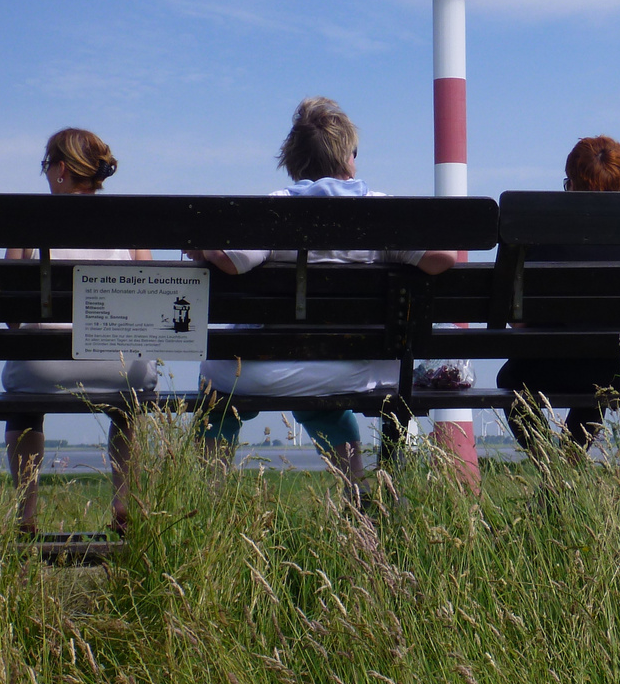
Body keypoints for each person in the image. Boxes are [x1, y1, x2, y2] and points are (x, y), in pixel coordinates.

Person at [190, 97, 455, 480]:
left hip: (272, 369)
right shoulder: (383, 211)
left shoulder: (277, 208)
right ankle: (358, 491)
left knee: (212, 383)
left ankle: (206, 493)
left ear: (293, 160)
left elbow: (232, 260)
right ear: (348, 155)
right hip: (362, 368)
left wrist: (204, 249)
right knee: (322, 401)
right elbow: (442, 258)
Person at [3, 128, 153, 535]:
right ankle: (123, 506)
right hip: (123, 368)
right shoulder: (131, 221)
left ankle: (26, 518)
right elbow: (150, 303)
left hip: (43, 369)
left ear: (62, 170)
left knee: (24, 405)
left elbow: (11, 318)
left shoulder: (29, 222)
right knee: (128, 406)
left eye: (46, 165)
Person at [498, 136, 620, 452]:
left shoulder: (544, 234)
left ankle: (550, 469)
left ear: (573, 183)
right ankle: (566, 465)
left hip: (555, 366)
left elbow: (517, 322)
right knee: (603, 369)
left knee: (510, 379)